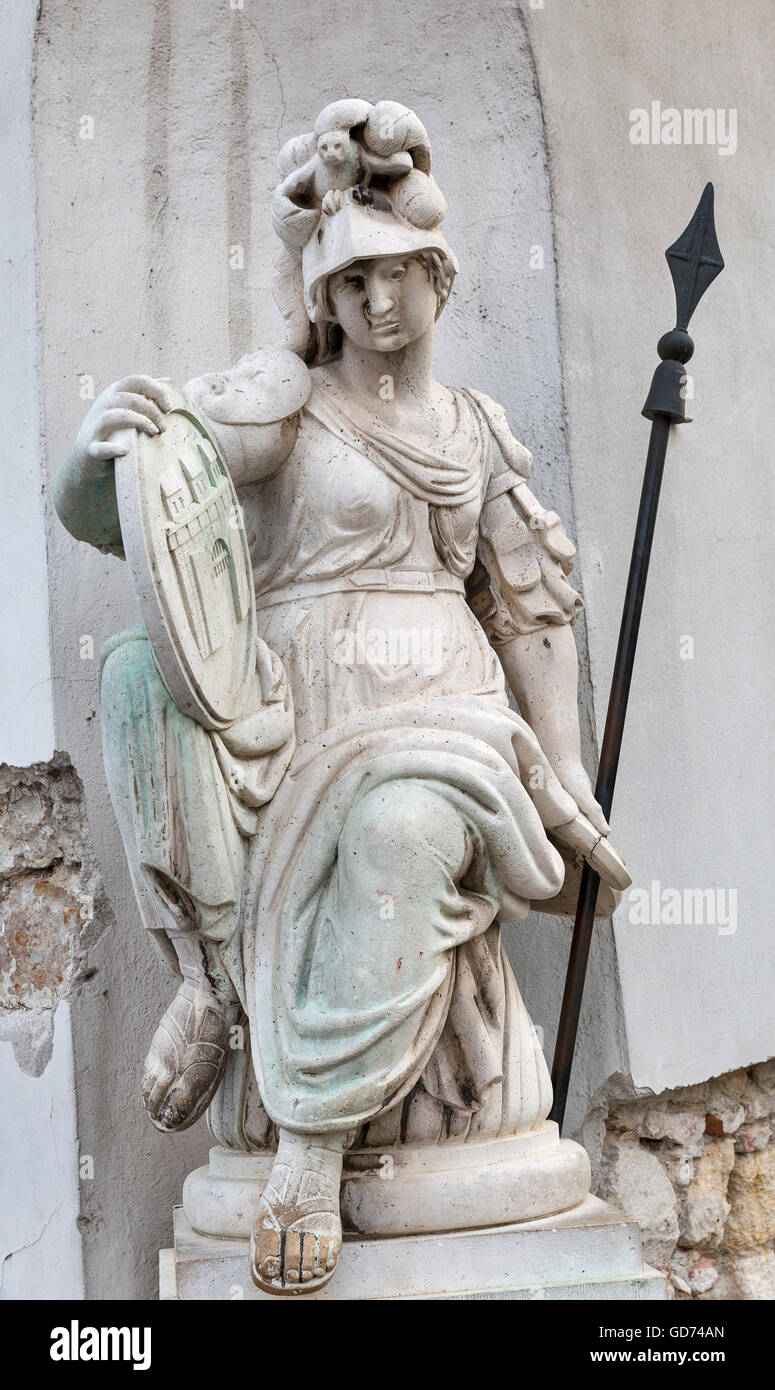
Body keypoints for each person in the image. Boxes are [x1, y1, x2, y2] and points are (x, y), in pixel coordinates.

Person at [55, 104, 628, 1297]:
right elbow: (155, 502)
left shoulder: (478, 432)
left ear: (439, 277)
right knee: (132, 677)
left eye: (394, 276)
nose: (373, 304)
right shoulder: (289, 400)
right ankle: (218, 990)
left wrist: (564, 771)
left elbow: (531, 606)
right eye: (347, 281)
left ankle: (311, 1144)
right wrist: (96, 458)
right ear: (320, 295)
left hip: (450, 732)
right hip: (287, 721)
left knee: (401, 832)